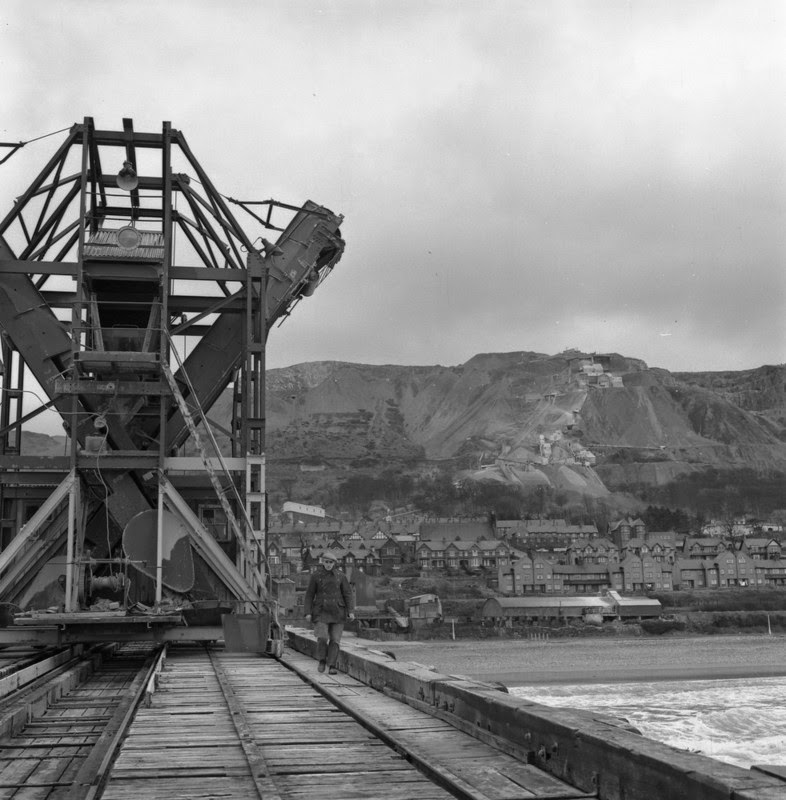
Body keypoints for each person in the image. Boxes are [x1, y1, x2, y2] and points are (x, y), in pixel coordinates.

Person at [304, 550, 355, 675]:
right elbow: (310, 595)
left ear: (334, 563)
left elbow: (348, 594)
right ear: (323, 562)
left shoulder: (341, 576)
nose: (328, 564)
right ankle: (322, 660)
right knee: (322, 637)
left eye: (330, 562)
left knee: (335, 640)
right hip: (321, 611)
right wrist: (308, 612)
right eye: (326, 562)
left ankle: (332, 665)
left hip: (338, 612)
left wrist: (351, 611)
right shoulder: (316, 576)